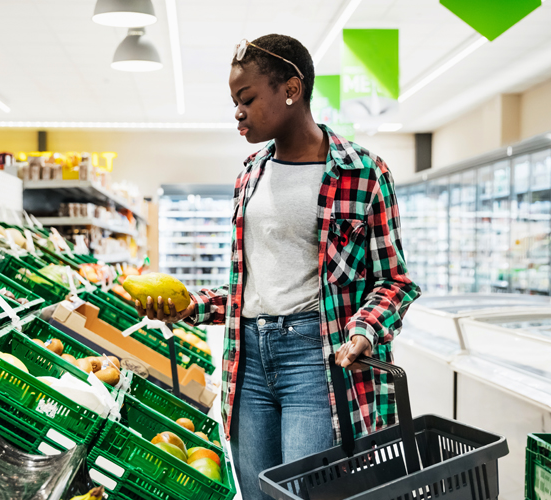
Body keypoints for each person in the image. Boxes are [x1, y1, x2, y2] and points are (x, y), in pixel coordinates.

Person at [135, 34, 420, 500]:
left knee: (308, 494)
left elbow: (394, 280)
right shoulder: (250, 173)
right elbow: (254, 286)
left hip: (317, 356)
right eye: (234, 101)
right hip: (247, 358)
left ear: (291, 88)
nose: (237, 112)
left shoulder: (364, 172)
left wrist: (366, 329)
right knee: (257, 491)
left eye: (246, 99)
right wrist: (192, 305)